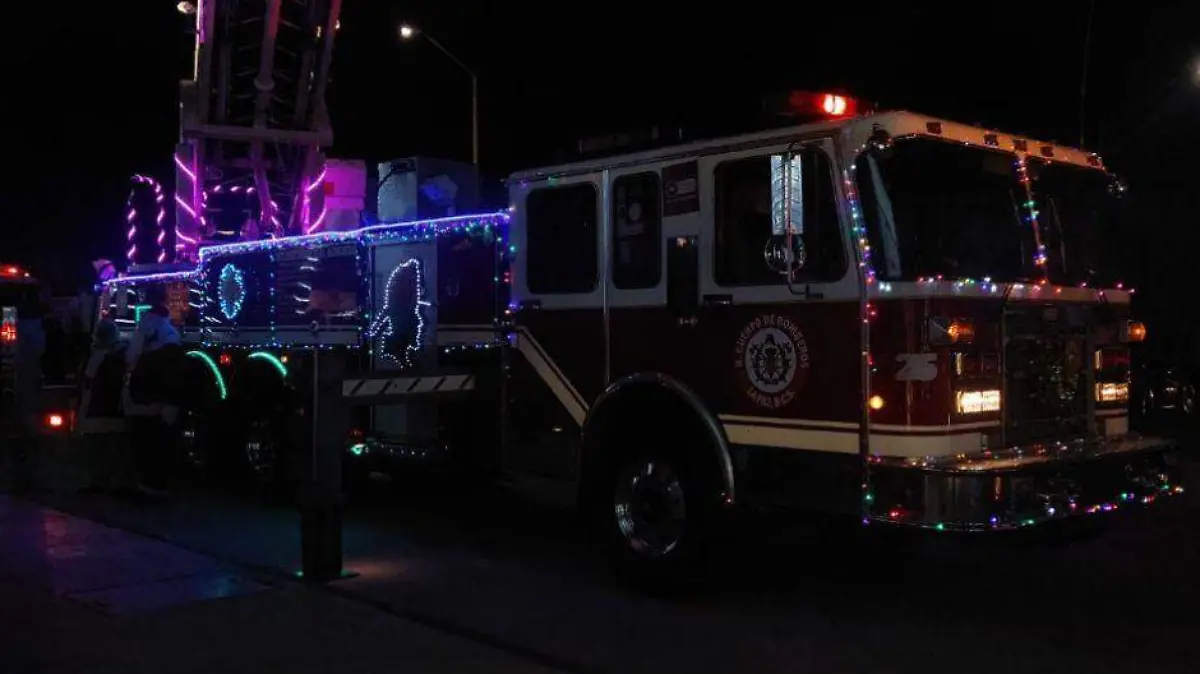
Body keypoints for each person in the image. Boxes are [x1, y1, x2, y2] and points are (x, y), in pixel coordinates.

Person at [123, 287, 185, 502]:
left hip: (152, 381)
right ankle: (162, 479)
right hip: (172, 384)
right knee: (165, 429)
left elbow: (133, 352)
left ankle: (149, 481)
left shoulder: (147, 323)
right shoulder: (171, 329)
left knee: (149, 431)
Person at [77, 318, 129, 494]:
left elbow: (87, 382)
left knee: (97, 449)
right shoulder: (120, 355)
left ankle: (100, 482)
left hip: (98, 408)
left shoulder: (97, 357)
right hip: (112, 409)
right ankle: (110, 482)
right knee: (110, 448)